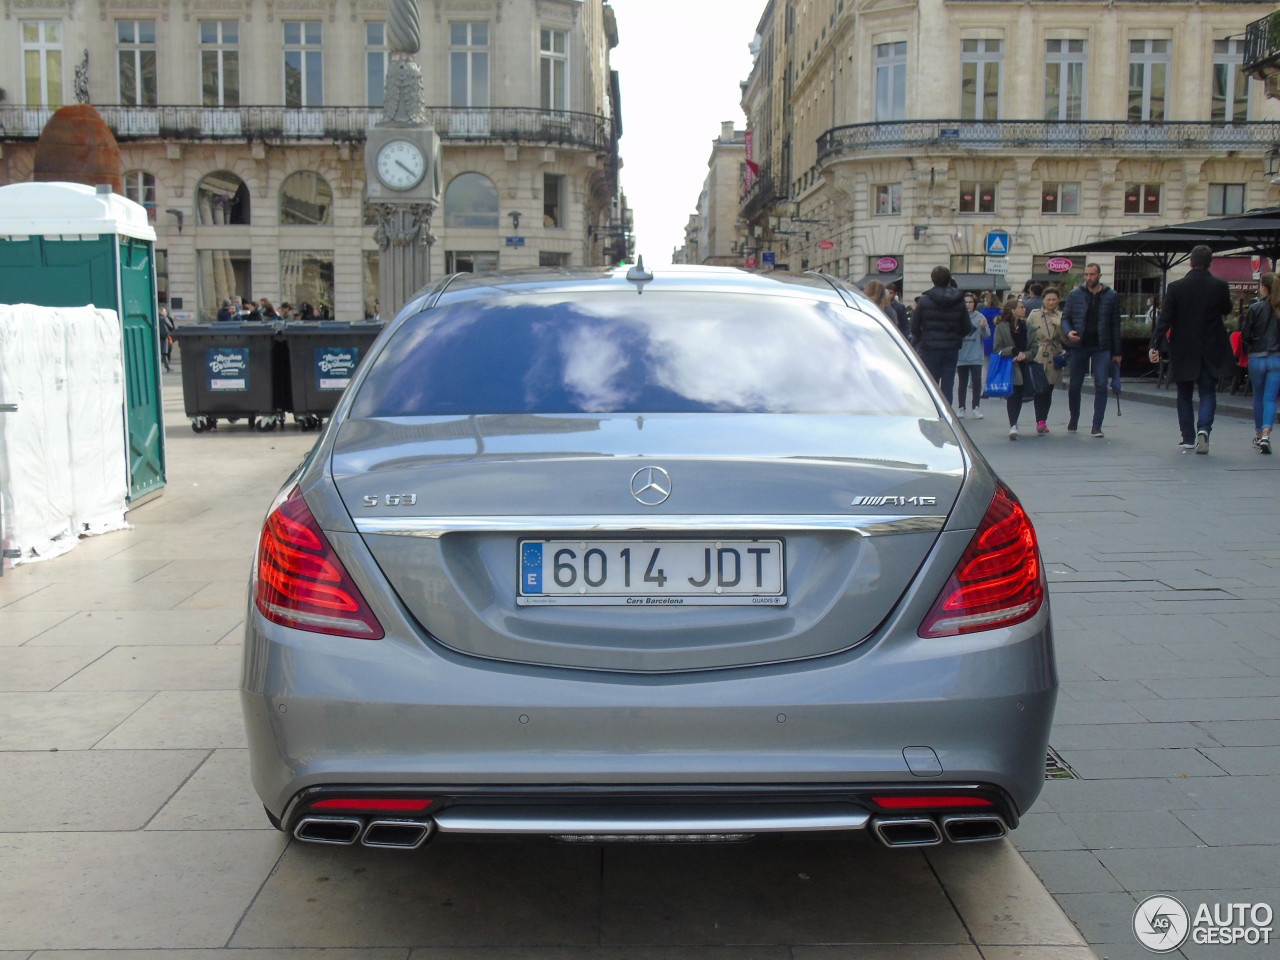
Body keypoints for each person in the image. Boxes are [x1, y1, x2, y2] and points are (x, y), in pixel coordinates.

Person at [1147, 245, 1234, 454]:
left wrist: (1155, 344)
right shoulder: (1219, 286)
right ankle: (1203, 429)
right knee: (1208, 391)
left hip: (1183, 348)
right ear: (1210, 262)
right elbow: (1227, 309)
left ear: (1191, 262)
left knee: (1184, 393)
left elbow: (1165, 319)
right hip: (1211, 347)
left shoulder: (1176, 287)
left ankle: (1187, 437)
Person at [1061, 262, 1122, 438]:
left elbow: (1116, 325)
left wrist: (1117, 353)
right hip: (1079, 345)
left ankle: (1097, 425)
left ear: (1099, 276)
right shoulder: (1075, 294)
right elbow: (1066, 318)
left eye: (1092, 275)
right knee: (1074, 385)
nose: (1089, 278)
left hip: (1101, 346)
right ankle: (1074, 418)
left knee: (1101, 384)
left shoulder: (1111, 296)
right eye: (1086, 275)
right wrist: (1068, 331)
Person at [911, 265, 973, 404]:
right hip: (951, 348)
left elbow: (914, 326)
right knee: (948, 385)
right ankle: (947, 414)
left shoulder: (924, 301)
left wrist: (923, 338)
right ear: (949, 279)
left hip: (930, 348)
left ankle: (932, 410)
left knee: (930, 385)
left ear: (933, 280)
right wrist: (957, 337)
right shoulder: (959, 300)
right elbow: (967, 326)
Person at [1239, 271, 1280, 454]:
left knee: (1259, 396)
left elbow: (1245, 334)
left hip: (1257, 357)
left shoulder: (1256, 308)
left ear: (1263, 287)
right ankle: (1266, 434)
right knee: (1271, 398)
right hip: (1276, 357)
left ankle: (1257, 434)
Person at [992, 296, 1040, 439]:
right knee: (1013, 394)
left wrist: (1026, 355)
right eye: (1021, 307)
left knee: (1020, 395)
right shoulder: (1002, 327)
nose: (1024, 309)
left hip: (1025, 365)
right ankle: (1013, 424)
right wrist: (1012, 352)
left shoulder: (1028, 328)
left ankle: (1016, 422)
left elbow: (1035, 347)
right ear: (1013, 310)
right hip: (1010, 366)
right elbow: (997, 349)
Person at [1026, 286, 1069, 434]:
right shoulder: (1034, 314)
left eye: (1054, 299)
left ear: (1058, 301)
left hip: (1054, 355)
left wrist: (1061, 325)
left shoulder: (1062, 316)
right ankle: (1040, 421)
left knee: (1049, 389)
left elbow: (1066, 340)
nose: (1051, 302)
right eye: (1048, 299)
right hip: (1038, 354)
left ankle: (1044, 419)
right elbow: (1028, 334)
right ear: (1043, 300)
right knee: (1040, 389)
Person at [956, 292, 988, 419]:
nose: (968, 305)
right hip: (961, 355)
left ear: (974, 304)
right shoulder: (958, 317)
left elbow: (987, 336)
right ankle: (961, 407)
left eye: (970, 302)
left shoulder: (980, 317)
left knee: (976, 382)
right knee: (962, 383)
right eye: (965, 302)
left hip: (976, 355)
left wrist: (984, 328)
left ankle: (976, 407)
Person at [158, 306, 175, 373]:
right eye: (165, 312)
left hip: (159, 337)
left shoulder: (157, 318)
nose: (166, 313)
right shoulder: (164, 319)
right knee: (166, 352)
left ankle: (167, 366)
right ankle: (168, 367)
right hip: (165, 337)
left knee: (163, 353)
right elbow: (171, 326)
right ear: (161, 312)